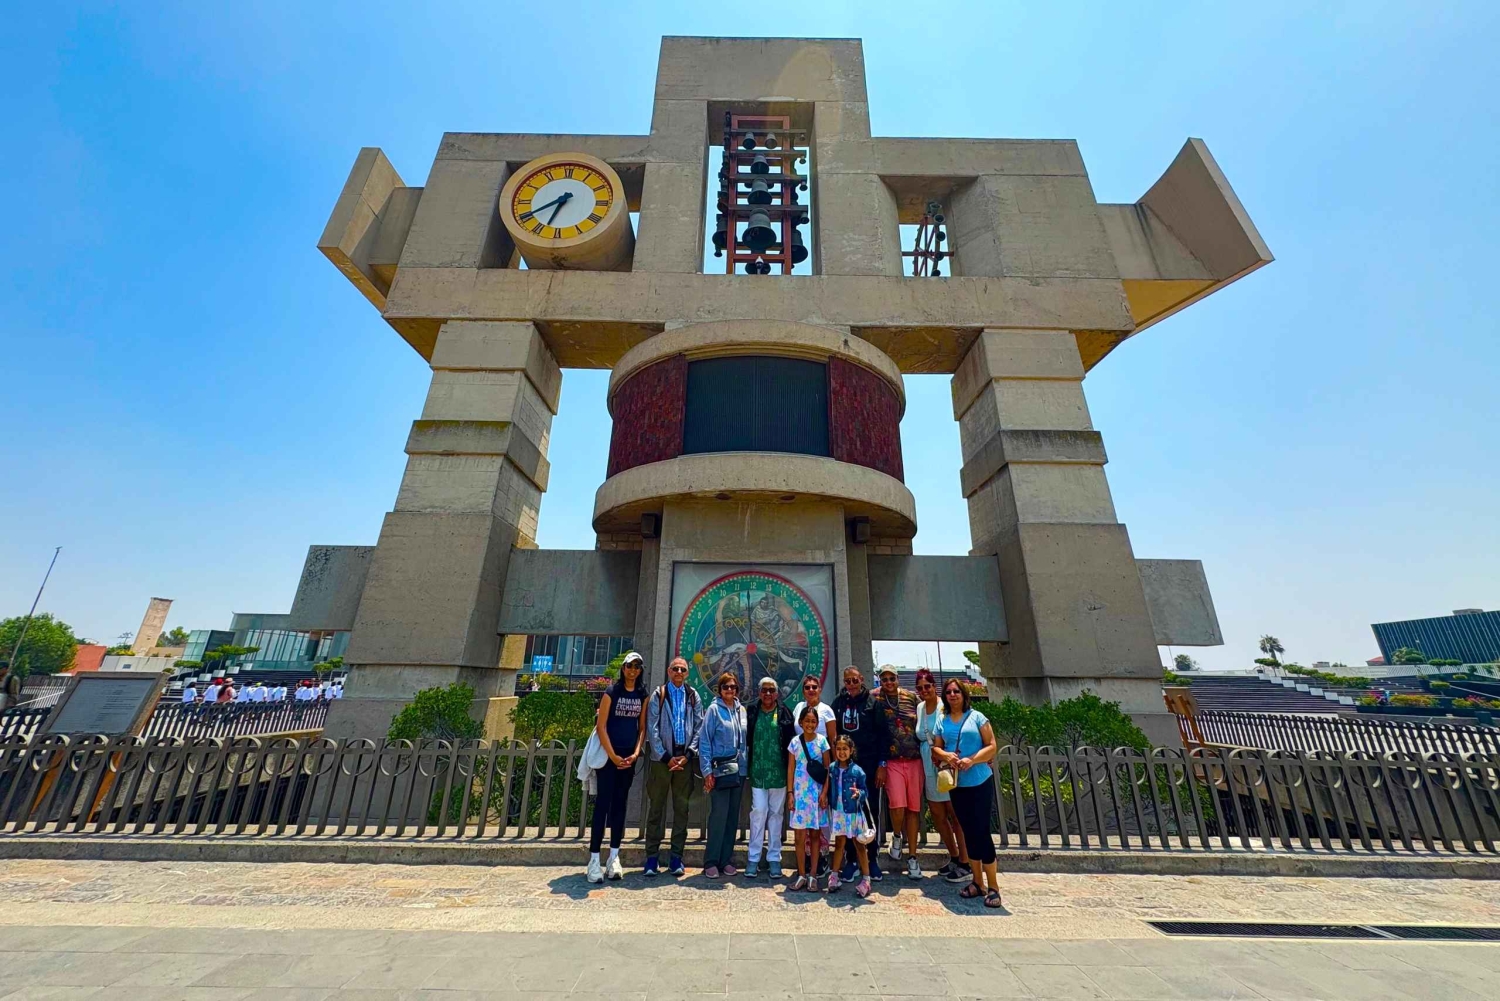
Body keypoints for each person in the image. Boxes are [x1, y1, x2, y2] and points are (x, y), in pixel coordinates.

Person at [930, 678, 1002, 909]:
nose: (953, 695)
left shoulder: (978, 717)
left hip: (979, 780)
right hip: (957, 784)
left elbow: (991, 745)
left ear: (964, 694)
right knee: (968, 831)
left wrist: (973, 759)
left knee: (981, 831)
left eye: (956, 691)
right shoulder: (942, 721)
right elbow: (936, 747)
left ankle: (993, 886)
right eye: (949, 692)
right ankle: (977, 881)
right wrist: (946, 756)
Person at [586, 651, 647, 884]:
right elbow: (601, 726)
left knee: (619, 807)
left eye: (637, 667)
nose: (632, 670)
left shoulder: (642, 695)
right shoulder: (612, 692)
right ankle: (593, 860)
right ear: (623, 668)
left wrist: (634, 753)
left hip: (627, 760)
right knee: (602, 807)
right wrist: (612, 755)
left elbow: (641, 727)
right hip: (609, 759)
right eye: (629, 666)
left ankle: (613, 856)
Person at [643, 655, 702, 877]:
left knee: (682, 811)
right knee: (656, 809)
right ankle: (651, 858)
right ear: (669, 671)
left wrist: (688, 755)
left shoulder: (693, 696)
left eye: (683, 669)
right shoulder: (659, 694)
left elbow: (699, 726)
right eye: (675, 669)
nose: (679, 672)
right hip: (662, 762)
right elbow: (653, 728)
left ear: (687, 673)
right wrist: (665, 756)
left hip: (684, 761)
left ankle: (676, 857)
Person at [830, 666, 888, 881]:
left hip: (869, 768)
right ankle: (852, 860)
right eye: (848, 681)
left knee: (868, 811)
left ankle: (871, 859)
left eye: (855, 680)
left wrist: (882, 764)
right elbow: (833, 733)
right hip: (845, 770)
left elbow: (883, 735)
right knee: (848, 814)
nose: (852, 685)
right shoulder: (838, 703)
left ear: (862, 680)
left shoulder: (873, 704)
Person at [913, 669, 971, 883]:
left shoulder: (943, 706)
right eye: (919, 687)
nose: (923, 691)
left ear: (934, 687)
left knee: (955, 814)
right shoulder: (919, 707)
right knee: (938, 814)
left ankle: (966, 862)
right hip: (928, 762)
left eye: (927, 686)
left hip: (945, 762)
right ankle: (954, 856)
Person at [873, 667, 924, 880]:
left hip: (914, 760)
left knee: (913, 809)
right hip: (892, 761)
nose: (888, 682)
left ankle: (912, 856)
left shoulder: (912, 698)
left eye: (891, 678)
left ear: (897, 679)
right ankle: (896, 835)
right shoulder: (874, 697)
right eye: (884, 679)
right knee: (897, 805)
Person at [698, 671, 747, 878]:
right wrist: (707, 771)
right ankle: (711, 861)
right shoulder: (713, 710)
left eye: (733, 687)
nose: (730, 690)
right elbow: (705, 741)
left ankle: (726, 859)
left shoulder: (740, 710)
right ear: (720, 689)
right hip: (719, 770)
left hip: (739, 770)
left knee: (731, 817)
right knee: (718, 816)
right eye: (726, 687)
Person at [745, 676, 793, 878]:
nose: (767, 694)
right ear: (758, 692)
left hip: (779, 773)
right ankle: (753, 858)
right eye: (764, 690)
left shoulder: (784, 713)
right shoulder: (752, 712)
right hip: (758, 772)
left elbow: (790, 745)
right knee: (759, 812)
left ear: (777, 693)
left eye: (771, 691)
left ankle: (774, 858)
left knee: (776, 816)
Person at [791, 674, 836, 875]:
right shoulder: (798, 708)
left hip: (819, 776)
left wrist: (832, 777)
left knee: (820, 825)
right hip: (801, 778)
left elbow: (833, 742)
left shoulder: (827, 710)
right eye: (807, 687)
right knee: (803, 829)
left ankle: (821, 861)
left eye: (814, 687)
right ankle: (806, 864)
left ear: (819, 689)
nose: (811, 690)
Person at [786, 704, 830, 892]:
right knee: (799, 836)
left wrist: (825, 792)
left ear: (817, 723)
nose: (810, 724)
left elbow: (828, 769)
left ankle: (813, 875)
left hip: (816, 794)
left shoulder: (823, 742)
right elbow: (790, 769)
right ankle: (801, 874)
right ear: (801, 722)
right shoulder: (795, 742)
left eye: (813, 721)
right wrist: (790, 794)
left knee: (815, 836)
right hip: (800, 793)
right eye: (807, 721)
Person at [824, 735, 873, 898]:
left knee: (859, 845)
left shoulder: (857, 771)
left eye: (845, 749)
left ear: (851, 751)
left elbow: (865, 791)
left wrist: (859, 794)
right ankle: (834, 875)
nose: (841, 752)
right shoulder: (832, 768)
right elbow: (828, 785)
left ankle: (866, 879)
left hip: (854, 813)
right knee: (839, 843)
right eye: (838, 748)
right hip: (838, 812)